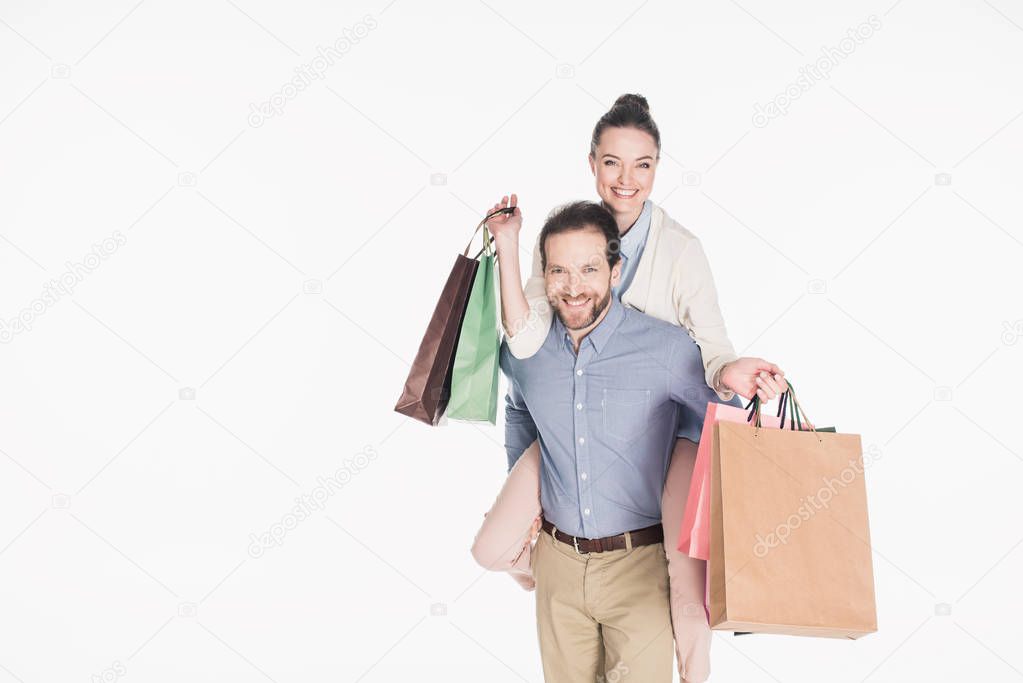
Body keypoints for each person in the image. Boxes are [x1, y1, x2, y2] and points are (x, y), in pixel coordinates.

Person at [470, 94, 788, 682]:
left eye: (642, 164)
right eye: (613, 162)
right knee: (495, 542)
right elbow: (527, 340)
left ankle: (693, 672)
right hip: (575, 420)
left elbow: (711, 350)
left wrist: (731, 374)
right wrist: (510, 249)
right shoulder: (568, 240)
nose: (626, 178)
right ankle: (543, 561)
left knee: (682, 581)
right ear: (592, 163)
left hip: (670, 434)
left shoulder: (679, 254)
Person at [500, 200, 738, 681]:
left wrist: (739, 381)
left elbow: (723, 420)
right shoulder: (528, 351)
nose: (573, 287)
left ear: (615, 270)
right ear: (543, 276)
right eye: (558, 271)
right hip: (558, 567)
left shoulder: (666, 349)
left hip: (641, 568)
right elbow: (518, 408)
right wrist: (522, 497)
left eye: (589, 268)